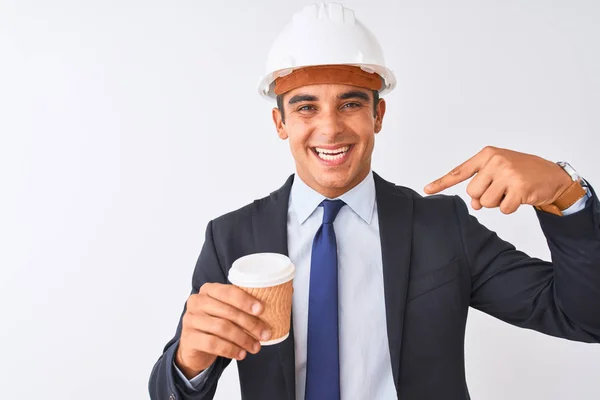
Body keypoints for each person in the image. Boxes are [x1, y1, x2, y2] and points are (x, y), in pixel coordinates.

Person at [148, 3, 600, 399]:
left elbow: (584, 318)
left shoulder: (443, 227)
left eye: (350, 104)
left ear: (377, 115)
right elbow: (172, 390)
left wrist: (567, 195)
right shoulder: (231, 237)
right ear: (280, 122)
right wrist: (189, 361)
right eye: (306, 107)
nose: (330, 129)